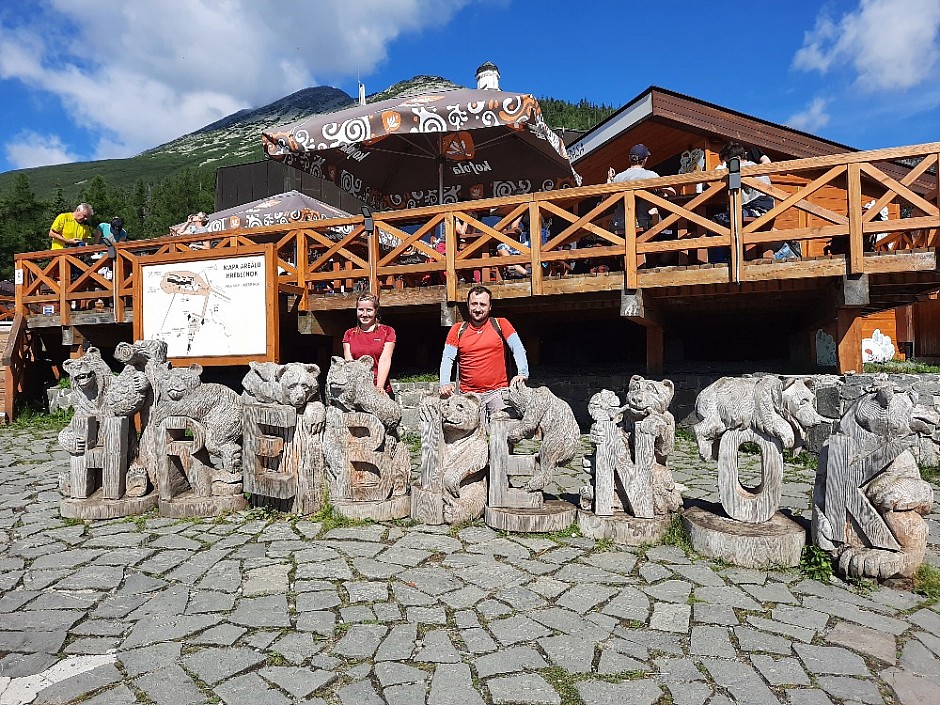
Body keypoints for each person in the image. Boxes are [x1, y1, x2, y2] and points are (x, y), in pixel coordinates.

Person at [439, 285, 529, 418]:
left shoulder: (501, 324)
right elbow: (447, 358)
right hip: (468, 395)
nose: (478, 309)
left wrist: (522, 373)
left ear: (490, 306)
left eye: (483, 304)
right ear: (468, 305)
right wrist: (444, 383)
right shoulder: (457, 329)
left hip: (498, 393)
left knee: (502, 428)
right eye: (474, 304)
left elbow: (518, 348)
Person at [711, 142, 792, 260]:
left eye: (728, 162)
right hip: (767, 210)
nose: (727, 166)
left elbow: (723, 183)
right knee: (730, 221)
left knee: (715, 222)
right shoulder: (755, 166)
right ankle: (735, 256)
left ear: (737, 159)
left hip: (755, 209)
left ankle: (721, 259)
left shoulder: (739, 169)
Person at [607, 144, 676, 231]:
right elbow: (672, 192)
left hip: (620, 224)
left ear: (629, 158)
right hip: (645, 225)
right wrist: (661, 190)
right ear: (645, 160)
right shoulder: (650, 175)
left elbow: (609, 198)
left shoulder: (618, 178)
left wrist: (609, 179)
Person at [342, 292, 396, 396]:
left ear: (376, 311)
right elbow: (350, 365)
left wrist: (379, 387)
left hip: (381, 389)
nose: (365, 314)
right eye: (361, 310)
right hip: (358, 390)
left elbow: (385, 359)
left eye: (369, 310)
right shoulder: (349, 334)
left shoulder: (387, 331)